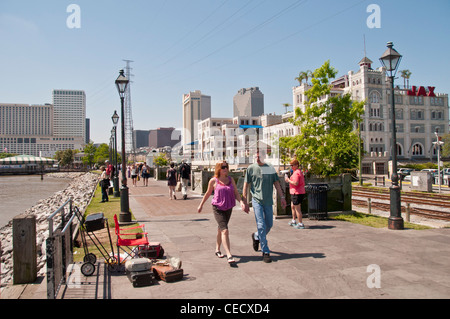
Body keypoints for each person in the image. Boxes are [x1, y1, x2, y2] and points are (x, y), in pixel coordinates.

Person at [198, 161, 248, 265]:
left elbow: (236, 193)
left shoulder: (230, 179)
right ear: (218, 168)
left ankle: (217, 249)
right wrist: (201, 204)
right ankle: (229, 255)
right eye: (223, 167)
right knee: (225, 230)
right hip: (217, 208)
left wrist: (242, 202)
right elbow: (208, 193)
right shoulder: (213, 180)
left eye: (227, 167)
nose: (226, 169)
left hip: (228, 207)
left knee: (220, 229)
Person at [242, 150, 286, 263]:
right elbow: (246, 184)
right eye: (256, 156)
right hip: (256, 200)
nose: (257, 158)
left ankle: (256, 236)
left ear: (264, 157)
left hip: (268, 201)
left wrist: (282, 197)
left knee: (269, 224)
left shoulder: (270, 168)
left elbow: (276, 183)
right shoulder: (251, 168)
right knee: (261, 225)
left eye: (259, 156)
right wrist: (245, 201)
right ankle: (265, 251)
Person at [284, 159, 306, 229]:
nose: (291, 167)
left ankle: (300, 223)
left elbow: (296, 183)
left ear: (296, 165)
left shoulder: (296, 173)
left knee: (297, 208)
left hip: (297, 192)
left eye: (292, 165)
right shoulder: (296, 172)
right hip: (295, 192)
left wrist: (288, 180)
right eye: (290, 165)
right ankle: (293, 220)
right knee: (293, 206)